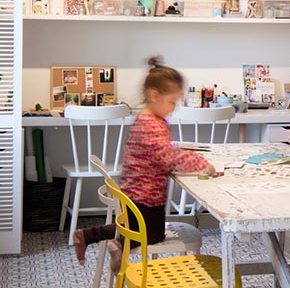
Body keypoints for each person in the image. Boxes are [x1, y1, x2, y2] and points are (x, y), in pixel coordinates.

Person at [73, 57, 217, 269]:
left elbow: (159, 152)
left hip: (135, 191)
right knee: (153, 233)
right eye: (172, 102)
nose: (174, 108)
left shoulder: (145, 118)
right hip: (146, 194)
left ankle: (88, 235)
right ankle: (119, 244)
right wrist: (200, 163)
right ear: (154, 95)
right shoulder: (152, 123)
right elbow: (167, 155)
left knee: (133, 227)